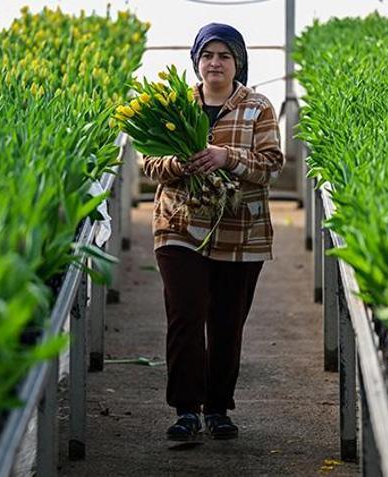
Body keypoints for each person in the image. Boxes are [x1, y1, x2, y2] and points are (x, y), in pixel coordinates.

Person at [142, 23, 285, 441]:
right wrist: (181, 164)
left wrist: (226, 157)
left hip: (240, 230)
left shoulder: (258, 107)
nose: (215, 63)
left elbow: (272, 164)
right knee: (185, 315)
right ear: (196, 62)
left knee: (227, 322)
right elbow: (149, 163)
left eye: (224, 55)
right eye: (207, 55)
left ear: (237, 62)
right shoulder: (172, 105)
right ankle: (186, 410)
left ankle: (218, 408)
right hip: (179, 225)